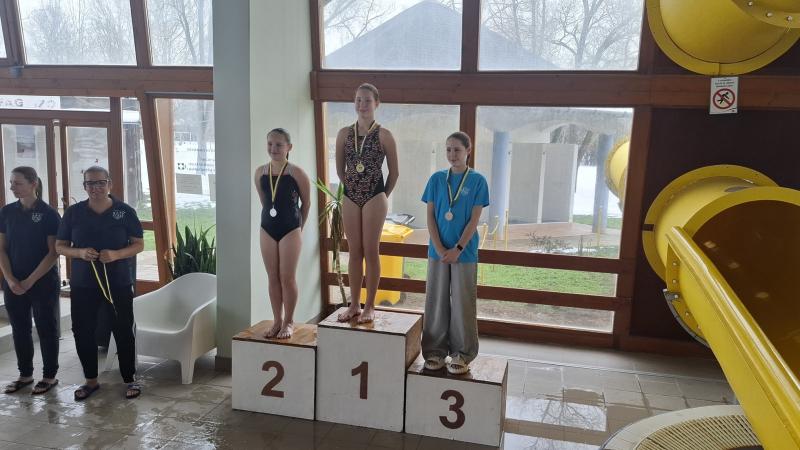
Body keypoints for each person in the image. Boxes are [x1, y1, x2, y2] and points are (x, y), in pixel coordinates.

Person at [55, 166, 144, 400]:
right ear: (84, 186)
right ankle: (90, 381)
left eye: (100, 183)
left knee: (123, 329)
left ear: (109, 184)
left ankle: (130, 378)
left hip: (118, 282)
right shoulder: (74, 213)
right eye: (90, 183)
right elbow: (60, 246)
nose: (95, 188)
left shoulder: (124, 211)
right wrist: (79, 252)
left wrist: (116, 254)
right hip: (83, 284)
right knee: (82, 330)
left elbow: (139, 244)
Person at [421, 132, 489, 375]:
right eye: (448, 149)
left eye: (457, 150)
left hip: (464, 252)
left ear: (468, 150)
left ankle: (463, 353)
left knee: (463, 302)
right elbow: (430, 216)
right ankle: (434, 352)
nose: (452, 154)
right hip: (438, 252)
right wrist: (440, 248)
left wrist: (458, 249)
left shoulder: (478, 181)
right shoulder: (436, 179)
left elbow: (474, 220)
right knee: (436, 301)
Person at [335, 83, 399, 323]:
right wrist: (352, 188)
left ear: (377, 103)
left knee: (371, 251)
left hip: (375, 196)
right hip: (351, 196)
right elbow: (340, 170)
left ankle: (370, 306)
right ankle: (354, 304)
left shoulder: (384, 135)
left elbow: (394, 172)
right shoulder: (344, 134)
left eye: (367, 100)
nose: (362, 105)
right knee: (354, 251)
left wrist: (381, 196)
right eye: (358, 100)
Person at [0, 167, 61, 395]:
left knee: (46, 328)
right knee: (20, 328)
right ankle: (25, 375)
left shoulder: (48, 214)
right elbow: (1, 249)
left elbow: (53, 252)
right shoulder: (7, 212)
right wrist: (10, 279)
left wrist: (30, 280)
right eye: (11, 183)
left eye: (17, 183)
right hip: (13, 282)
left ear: (33, 183)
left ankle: (49, 376)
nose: (12, 187)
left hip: (42, 282)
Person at [254, 128, 311, 339]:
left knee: (287, 277)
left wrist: (298, 228)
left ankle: (289, 321)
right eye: (270, 144)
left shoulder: (297, 173)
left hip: (291, 229)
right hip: (267, 228)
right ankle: (277, 320)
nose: (274, 148)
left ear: (289, 147)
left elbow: (306, 203)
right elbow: (265, 202)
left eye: (279, 144)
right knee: (272, 276)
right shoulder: (260, 173)